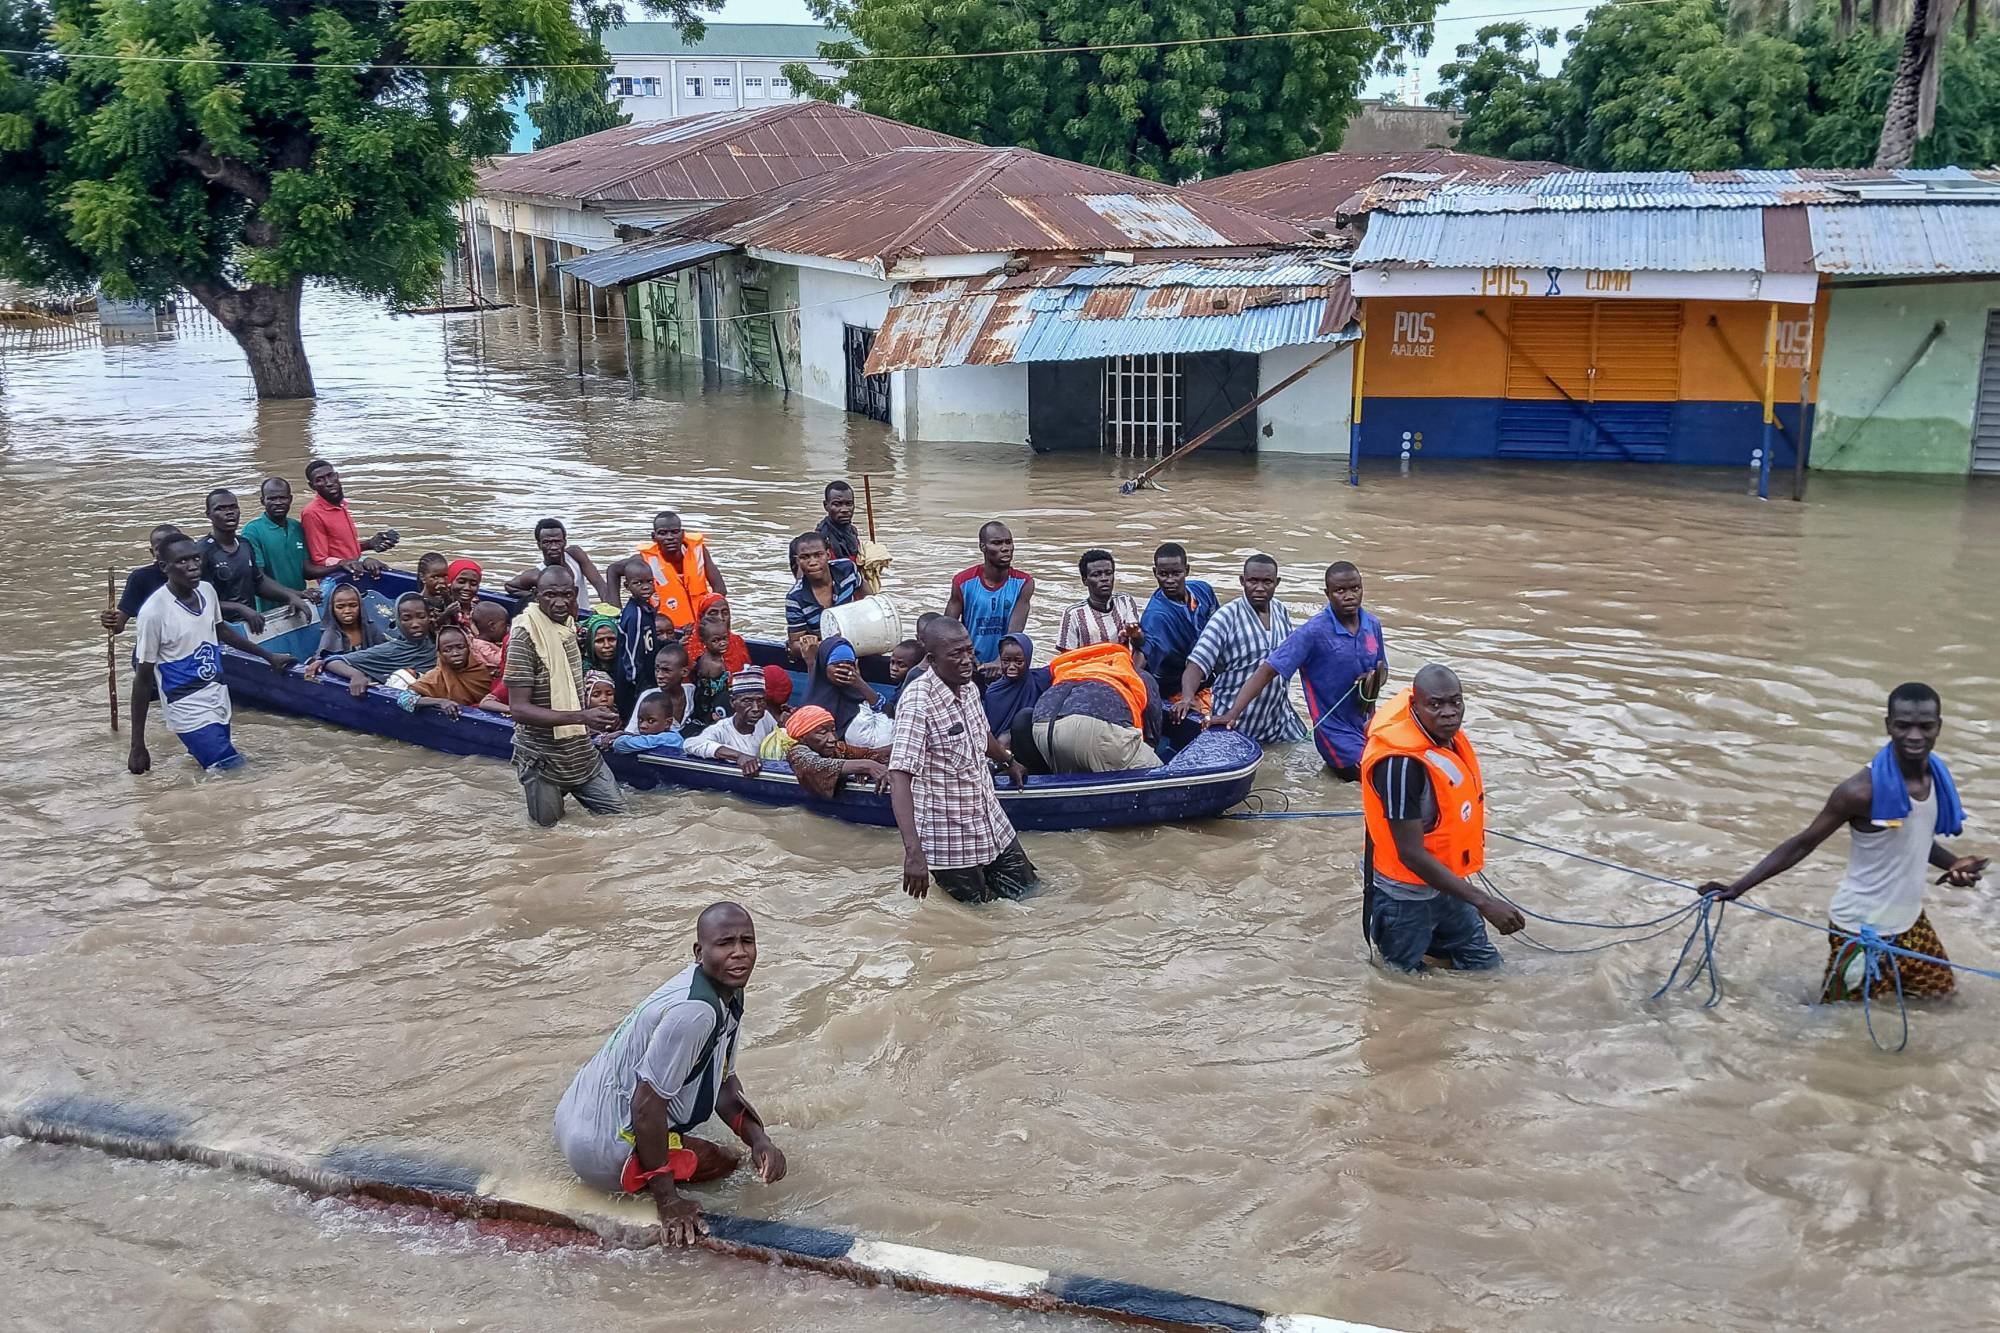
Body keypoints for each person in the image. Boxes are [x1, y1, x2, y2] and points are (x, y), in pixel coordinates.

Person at [1698, 683, 1987, 1002]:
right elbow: (1804, 843)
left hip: (1910, 922)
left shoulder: (1936, 776)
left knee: (1942, 999)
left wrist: (1954, 864)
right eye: (1904, 725)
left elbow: (1911, 838)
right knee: (1838, 1018)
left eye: (1925, 726)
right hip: (1861, 929)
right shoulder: (1861, 792)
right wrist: (1738, 887)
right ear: (1889, 725)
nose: (1915, 736)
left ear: (1939, 727)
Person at [553, 902, 786, 1248]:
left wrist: (758, 1139)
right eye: (725, 944)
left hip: (573, 1115)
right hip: (599, 1149)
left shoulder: (726, 990)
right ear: (699, 951)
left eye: (747, 942)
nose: (739, 954)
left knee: (736, 1150)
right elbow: (646, 1105)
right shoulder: (696, 1013)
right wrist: (669, 1202)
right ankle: (643, 1178)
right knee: (727, 1164)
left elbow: (722, 1085)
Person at [1359, 665, 1525, 973]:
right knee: (1399, 982)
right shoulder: (1400, 766)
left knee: (1486, 968)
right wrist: (1484, 902)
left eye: (1455, 702)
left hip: (1447, 884)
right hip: (1404, 897)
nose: (1449, 713)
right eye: (1435, 704)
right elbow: (1409, 853)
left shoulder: (1445, 740)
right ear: (1415, 706)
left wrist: (1473, 897)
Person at [888, 620, 1036, 904]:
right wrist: (914, 854)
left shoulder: (968, 688)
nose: (967, 660)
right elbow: (899, 776)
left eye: (969, 651)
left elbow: (983, 735)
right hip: (949, 839)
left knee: (1032, 894)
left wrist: (1009, 761)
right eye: (956, 654)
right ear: (932, 660)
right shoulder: (918, 704)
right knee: (976, 919)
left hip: (989, 820)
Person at [126, 535, 295, 774]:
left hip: (216, 693)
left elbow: (222, 631)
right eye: (182, 561)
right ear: (164, 567)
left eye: (195, 558)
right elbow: (142, 679)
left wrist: (268, 656)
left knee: (215, 771)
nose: (193, 566)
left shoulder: (206, 591)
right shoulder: (154, 613)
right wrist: (137, 745)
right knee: (236, 772)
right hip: (185, 703)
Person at [1210, 561, 1386, 779]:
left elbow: (1382, 668)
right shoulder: (1313, 632)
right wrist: (1232, 714)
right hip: (1335, 735)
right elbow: (1267, 670)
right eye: (1340, 590)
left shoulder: (1372, 624)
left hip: (1369, 725)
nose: (1349, 596)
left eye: (1354, 589)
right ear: (1327, 593)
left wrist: (1373, 679)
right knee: (1378, 778)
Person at [504, 567, 626, 826]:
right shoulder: (525, 637)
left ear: (575, 595)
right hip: (542, 757)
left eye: (566, 595)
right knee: (548, 835)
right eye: (550, 595)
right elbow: (518, 709)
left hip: (581, 752)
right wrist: (583, 716)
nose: (559, 602)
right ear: (537, 595)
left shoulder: (568, 627)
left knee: (621, 820)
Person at [1175, 555, 1309, 746]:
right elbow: (1197, 664)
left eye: (1267, 582)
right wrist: (1187, 698)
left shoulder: (1280, 611)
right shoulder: (1226, 617)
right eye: (1253, 581)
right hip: (1235, 721)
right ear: (1242, 581)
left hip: (1279, 720)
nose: (1260, 588)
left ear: (1276, 583)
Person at [1017, 642, 1160, 774]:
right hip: (1093, 727)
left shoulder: (1070, 668)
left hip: (1042, 728)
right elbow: (1153, 729)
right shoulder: (1137, 673)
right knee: (1158, 772)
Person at [199, 488, 314, 630]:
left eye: (233, 507)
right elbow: (200, 602)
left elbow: (258, 582)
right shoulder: (203, 551)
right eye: (220, 509)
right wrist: (239, 608)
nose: (229, 512)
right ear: (208, 515)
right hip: (220, 629)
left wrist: (293, 595)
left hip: (250, 623)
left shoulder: (244, 544)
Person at [307, 593, 438, 696]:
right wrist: (356, 675)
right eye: (406, 619)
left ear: (429, 617)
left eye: (421, 616)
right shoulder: (390, 650)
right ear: (398, 621)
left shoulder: (438, 644)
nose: (415, 624)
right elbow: (333, 661)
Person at [620, 511, 726, 637]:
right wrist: (617, 611)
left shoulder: (698, 551)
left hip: (702, 627)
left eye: (675, 532)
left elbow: (720, 590)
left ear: (682, 534)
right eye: (663, 533)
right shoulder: (644, 560)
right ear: (654, 537)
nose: (670, 537)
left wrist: (707, 620)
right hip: (669, 632)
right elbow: (613, 570)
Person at [945, 521, 1034, 665]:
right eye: (997, 543)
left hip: (1006, 663)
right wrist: (968, 657)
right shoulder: (962, 582)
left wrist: (1000, 661)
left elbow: (1015, 631)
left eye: (1008, 542)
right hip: (969, 661)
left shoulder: (1024, 583)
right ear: (982, 547)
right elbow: (949, 629)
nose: (1005, 548)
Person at [1139, 543, 1217, 706]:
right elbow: (1144, 653)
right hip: (1174, 688)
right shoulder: (1155, 616)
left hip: (1208, 677)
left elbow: (1221, 630)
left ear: (1187, 570)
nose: (1170, 580)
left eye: (1176, 573)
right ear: (1155, 573)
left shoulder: (1203, 591)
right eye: (1163, 574)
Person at [300, 458, 400, 575]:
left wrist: (369, 544)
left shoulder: (341, 505)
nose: (329, 483)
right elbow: (320, 559)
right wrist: (359, 561)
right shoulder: (312, 513)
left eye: (330, 476)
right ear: (312, 486)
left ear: (337, 476)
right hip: (336, 578)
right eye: (319, 480)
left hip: (353, 571)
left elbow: (341, 548)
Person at [238, 478, 320, 612]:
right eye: (272, 498)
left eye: (282, 498)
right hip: (270, 611)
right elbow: (258, 577)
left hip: (301, 604)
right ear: (262, 501)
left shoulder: (297, 527)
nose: (278, 503)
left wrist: (340, 565)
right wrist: (296, 594)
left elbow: (306, 570)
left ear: (290, 499)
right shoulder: (252, 531)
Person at [801, 636, 892, 751]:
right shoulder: (813, 699)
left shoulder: (860, 695)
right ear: (824, 666)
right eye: (837, 664)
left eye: (849, 664)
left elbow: (887, 712)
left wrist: (859, 683)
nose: (843, 670)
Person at [785, 531, 863, 662]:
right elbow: (794, 644)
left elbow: (870, 599)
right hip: (825, 657)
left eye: (818, 555)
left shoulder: (847, 569)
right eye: (805, 557)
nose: (812, 562)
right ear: (798, 561)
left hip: (858, 641)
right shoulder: (795, 598)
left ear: (828, 555)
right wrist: (815, 645)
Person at [781, 705, 889, 800]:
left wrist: (863, 768)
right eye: (822, 733)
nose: (832, 738)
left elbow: (871, 754)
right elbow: (816, 764)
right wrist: (865, 766)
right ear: (803, 737)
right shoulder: (796, 752)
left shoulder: (838, 748)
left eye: (833, 730)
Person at [685, 669, 775, 777]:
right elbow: (691, 744)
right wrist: (739, 756)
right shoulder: (722, 729)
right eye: (747, 701)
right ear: (733, 702)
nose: (756, 708)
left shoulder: (765, 718)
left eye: (760, 701)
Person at [103, 524, 188, 637]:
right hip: (153, 646)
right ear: (152, 552)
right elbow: (119, 626)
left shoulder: (195, 575)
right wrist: (110, 620)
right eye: (159, 548)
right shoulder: (141, 578)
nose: (167, 552)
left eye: (172, 546)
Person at [396, 624, 496, 719]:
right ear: (440, 653)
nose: (455, 653)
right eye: (447, 650)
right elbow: (403, 699)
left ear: (469, 648)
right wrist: (440, 702)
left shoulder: (484, 670)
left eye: (460, 647)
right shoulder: (435, 677)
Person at [1056, 549, 1145, 654]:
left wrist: (1135, 635)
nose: (1104, 579)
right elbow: (1066, 656)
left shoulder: (1125, 601)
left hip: (1122, 666)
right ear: (1085, 580)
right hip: (1088, 667)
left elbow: (1140, 644)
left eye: (1108, 573)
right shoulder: (1074, 613)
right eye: (1096, 575)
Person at [507, 518, 612, 604]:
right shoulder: (537, 574)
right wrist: (535, 596)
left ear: (565, 542)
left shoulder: (575, 555)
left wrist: (607, 605)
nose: (553, 547)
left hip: (583, 615)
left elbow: (599, 582)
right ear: (539, 545)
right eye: (547, 542)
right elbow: (510, 586)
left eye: (557, 541)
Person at [980, 632, 1049, 734]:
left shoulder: (1041, 681)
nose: (1011, 666)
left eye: (1018, 662)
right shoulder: (993, 693)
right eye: (1006, 661)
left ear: (1028, 659)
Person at [613, 565, 659, 718]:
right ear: (627, 586)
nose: (645, 587)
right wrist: (636, 682)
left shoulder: (646, 608)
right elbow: (631, 653)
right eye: (638, 583)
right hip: (634, 682)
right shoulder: (635, 614)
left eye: (649, 582)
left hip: (647, 673)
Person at [627, 641, 694, 732]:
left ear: (684, 672)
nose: (659, 676)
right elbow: (631, 732)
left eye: (666, 670)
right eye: (657, 669)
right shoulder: (648, 696)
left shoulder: (691, 691)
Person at [312, 583, 387, 659]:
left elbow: (385, 650)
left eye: (353, 606)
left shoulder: (370, 627)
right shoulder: (331, 635)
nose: (347, 611)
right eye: (340, 607)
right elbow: (324, 660)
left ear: (361, 606)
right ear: (332, 610)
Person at [604, 693, 687, 757]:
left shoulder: (671, 739)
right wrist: (624, 733)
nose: (643, 725)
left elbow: (620, 744)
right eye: (640, 720)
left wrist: (616, 739)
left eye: (651, 721)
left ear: (668, 723)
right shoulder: (657, 736)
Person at [686, 622, 732, 732]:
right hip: (710, 711)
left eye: (725, 638)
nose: (722, 643)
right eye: (715, 640)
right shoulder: (714, 665)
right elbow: (712, 695)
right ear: (704, 641)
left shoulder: (708, 657)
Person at [690, 594, 749, 674]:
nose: (720, 618)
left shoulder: (737, 641)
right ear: (701, 617)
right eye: (713, 613)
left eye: (725, 613)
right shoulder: (691, 648)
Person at [817, 480, 864, 562]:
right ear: (826, 506)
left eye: (849, 504)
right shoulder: (819, 539)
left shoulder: (853, 532)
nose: (844, 509)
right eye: (837, 504)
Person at [467, 600, 511, 670]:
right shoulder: (480, 645)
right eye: (505, 625)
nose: (508, 628)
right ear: (492, 626)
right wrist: (507, 643)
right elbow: (498, 661)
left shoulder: (483, 642)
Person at [444, 558, 483, 632]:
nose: (467, 588)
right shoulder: (441, 607)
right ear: (450, 582)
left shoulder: (480, 609)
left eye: (473, 584)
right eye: (461, 582)